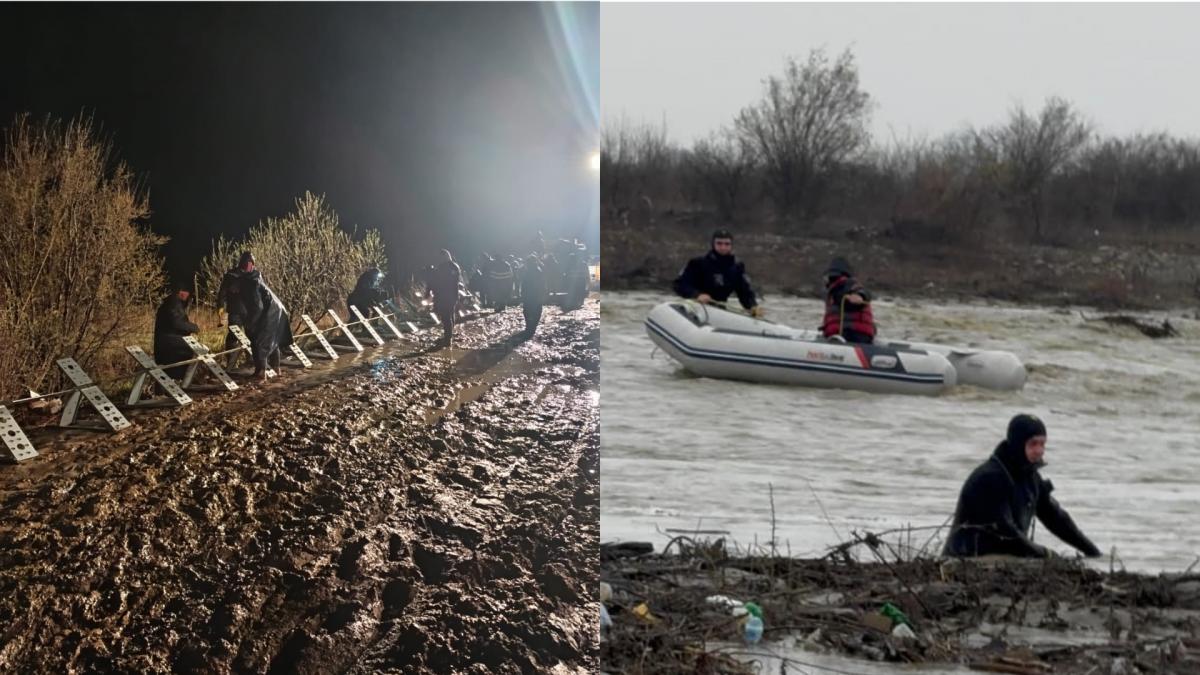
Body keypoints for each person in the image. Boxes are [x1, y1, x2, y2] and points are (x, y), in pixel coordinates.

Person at [943, 414, 1102, 559]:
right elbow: (1006, 532)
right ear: (1018, 444)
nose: (1039, 451)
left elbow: (1056, 519)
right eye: (1033, 444)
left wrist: (1093, 553)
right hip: (966, 560)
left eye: (1042, 444)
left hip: (1006, 557)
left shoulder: (1030, 476)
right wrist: (1046, 554)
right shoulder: (990, 478)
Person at [672, 229, 761, 317]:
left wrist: (753, 306)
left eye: (727, 244)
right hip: (695, 309)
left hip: (719, 312)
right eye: (719, 243)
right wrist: (696, 295)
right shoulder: (698, 263)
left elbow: (744, 292)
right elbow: (679, 284)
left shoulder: (737, 267)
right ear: (713, 244)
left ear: (731, 245)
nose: (723, 247)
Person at [233, 252, 294, 381]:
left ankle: (261, 372)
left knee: (259, 340)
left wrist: (251, 323)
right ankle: (275, 369)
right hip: (277, 310)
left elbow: (257, 306)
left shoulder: (251, 282)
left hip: (271, 312)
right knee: (271, 340)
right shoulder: (253, 278)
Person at [820, 257, 875, 344]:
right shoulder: (833, 290)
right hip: (848, 333)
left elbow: (862, 291)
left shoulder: (847, 284)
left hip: (853, 333)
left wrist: (860, 296)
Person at [153, 289, 199, 379]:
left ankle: (185, 380)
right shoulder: (174, 304)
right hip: (170, 346)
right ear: (181, 293)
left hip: (168, 345)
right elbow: (177, 323)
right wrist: (193, 327)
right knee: (198, 351)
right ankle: (187, 380)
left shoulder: (171, 304)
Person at [427, 249, 463, 348]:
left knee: (446, 317)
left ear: (443, 257)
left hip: (443, 296)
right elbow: (456, 280)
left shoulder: (442, 267)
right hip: (453, 295)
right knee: (451, 314)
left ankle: (447, 339)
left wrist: (429, 292)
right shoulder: (455, 266)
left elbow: (436, 282)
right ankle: (449, 335)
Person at [520, 254, 546, 337]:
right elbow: (542, 284)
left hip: (529, 295)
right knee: (536, 311)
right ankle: (532, 327)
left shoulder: (527, 272)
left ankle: (529, 327)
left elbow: (524, 285)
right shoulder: (539, 271)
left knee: (528, 311)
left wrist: (522, 294)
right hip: (536, 295)